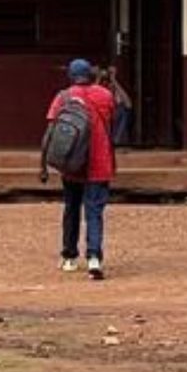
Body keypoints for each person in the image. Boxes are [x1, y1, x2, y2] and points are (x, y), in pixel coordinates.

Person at [45, 59, 116, 279]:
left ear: (71, 76)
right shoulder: (105, 95)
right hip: (100, 163)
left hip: (72, 165)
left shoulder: (63, 97)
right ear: (90, 75)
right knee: (94, 212)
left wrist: (44, 164)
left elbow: (50, 131)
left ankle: (69, 256)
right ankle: (94, 257)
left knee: (71, 210)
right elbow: (112, 120)